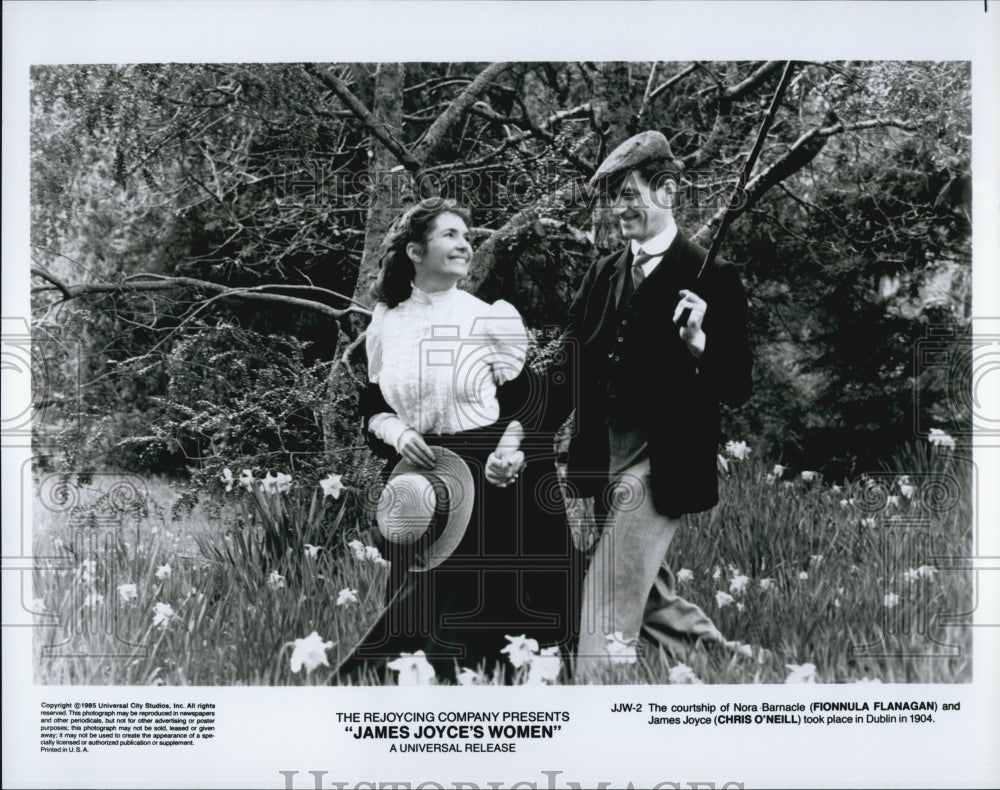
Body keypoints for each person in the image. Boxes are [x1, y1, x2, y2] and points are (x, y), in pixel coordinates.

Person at [337, 198, 581, 683]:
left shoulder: (488, 317)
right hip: (420, 485)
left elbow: (528, 407)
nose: (464, 244)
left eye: (466, 236)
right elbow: (371, 405)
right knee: (415, 626)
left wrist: (509, 453)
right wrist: (398, 431)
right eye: (449, 234)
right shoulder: (386, 321)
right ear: (414, 250)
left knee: (475, 631)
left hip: (491, 480)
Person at [562, 131, 753, 675]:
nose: (619, 209)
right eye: (613, 197)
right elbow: (568, 369)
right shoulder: (602, 274)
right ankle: (739, 666)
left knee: (609, 592)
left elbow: (738, 384)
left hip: (662, 461)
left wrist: (700, 342)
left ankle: (592, 702)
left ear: (667, 190)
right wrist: (511, 427)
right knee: (647, 593)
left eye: (629, 194)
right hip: (602, 455)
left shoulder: (712, 276)